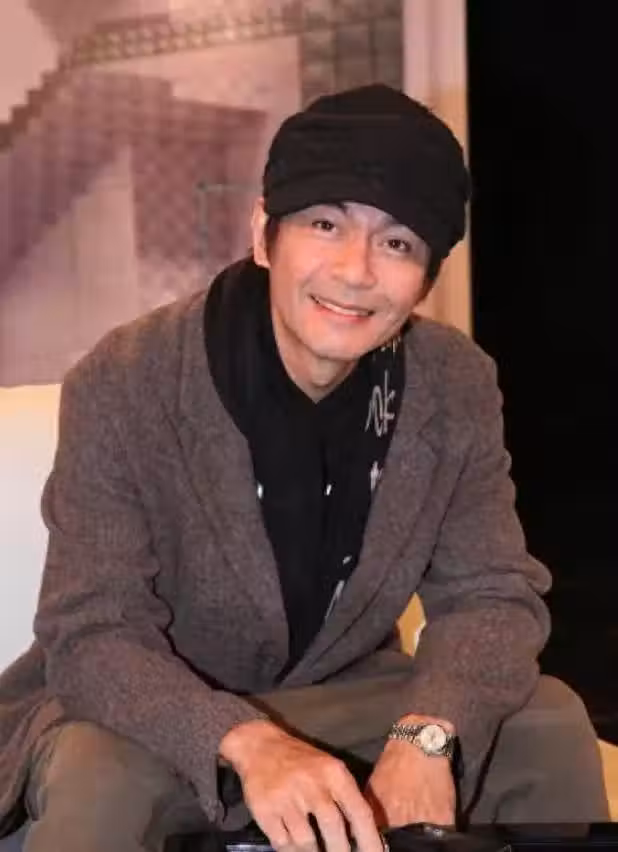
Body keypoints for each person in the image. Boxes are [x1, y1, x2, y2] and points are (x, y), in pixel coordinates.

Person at [0, 84, 609, 852]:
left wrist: (427, 735)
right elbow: (91, 633)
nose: (356, 271)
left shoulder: (453, 383)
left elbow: (491, 595)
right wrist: (247, 742)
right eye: (326, 225)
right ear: (264, 234)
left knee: (545, 720)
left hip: (340, 694)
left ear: (426, 279)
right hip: (151, 708)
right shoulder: (127, 378)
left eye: (398, 244)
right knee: (105, 775)